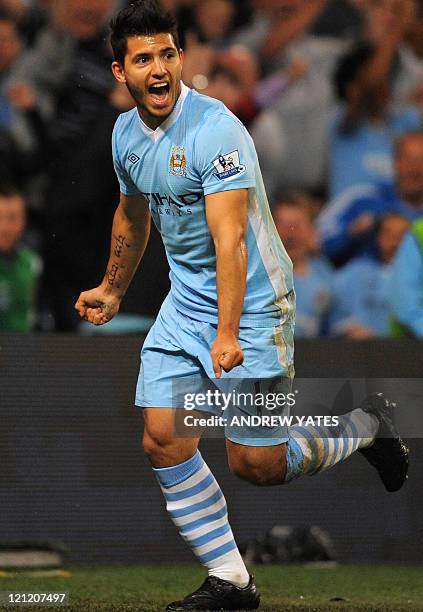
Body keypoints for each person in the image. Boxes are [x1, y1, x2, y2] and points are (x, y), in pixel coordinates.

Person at [75, 2, 409, 610]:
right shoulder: (126, 133)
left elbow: (229, 239)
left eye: (168, 54)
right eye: (143, 58)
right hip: (186, 303)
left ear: (181, 58)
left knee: (256, 461)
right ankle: (232, 581)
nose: (158, 69)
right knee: (162, 438)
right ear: (120, 70)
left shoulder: (217, 131)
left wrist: (227, 332)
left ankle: (364, 428)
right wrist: (113, 288)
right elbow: (133, 213)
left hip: (253, 305)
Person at [318, 131, 423, 266]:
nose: (414, 169)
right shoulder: (362, 198)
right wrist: (351, 234)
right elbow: (316, 243)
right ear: (395, 162)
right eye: (408, 160)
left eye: (420, 161)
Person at [330, 213, 410, 339]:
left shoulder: (417, 280)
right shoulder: (355, 272)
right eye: (388, 234)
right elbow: (334, 314)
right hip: (360, 350)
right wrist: (349, 328)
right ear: (378, 238)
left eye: (401, 236)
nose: (395, 241)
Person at [273, 194, 334, 338]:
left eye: (298, 225)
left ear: (311, 230)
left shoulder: (325, 277)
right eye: (283, 225)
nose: (290, 233)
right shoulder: (254, 277)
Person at [0, 183, 41, 331]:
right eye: (0, 218)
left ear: (24, 221)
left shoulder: (34, 263)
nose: (4, 227)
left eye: (12, 218)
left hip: (23, 348)